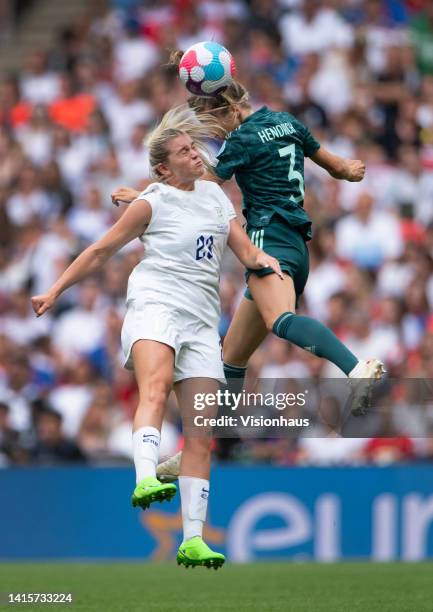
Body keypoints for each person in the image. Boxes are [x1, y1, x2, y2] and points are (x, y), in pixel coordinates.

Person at [31, 106, 282, 570]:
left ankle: (191, 539)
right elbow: (101, 249)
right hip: (156, 304)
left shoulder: (214, 197)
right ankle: (145, 478)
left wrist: (274, 268)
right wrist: (53, 290)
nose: (196, 154)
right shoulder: (152, 202)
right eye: (185, 151)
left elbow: (244, 249)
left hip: (202, 321)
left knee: (201, 432)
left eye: (195, 147)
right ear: (164, 167)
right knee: (155, 386)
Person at [113, 77, 386, 482]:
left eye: (211, 120)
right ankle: (197, 445)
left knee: (281, 320)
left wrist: (144, 196)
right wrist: (351, 169)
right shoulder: (288, 122)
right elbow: (338, 166)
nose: (213, 132)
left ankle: (354, 368)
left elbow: (195, 188)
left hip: (267, 236)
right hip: (297, 243)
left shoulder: (241, 140)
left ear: (227, 109)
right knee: (233, 357)